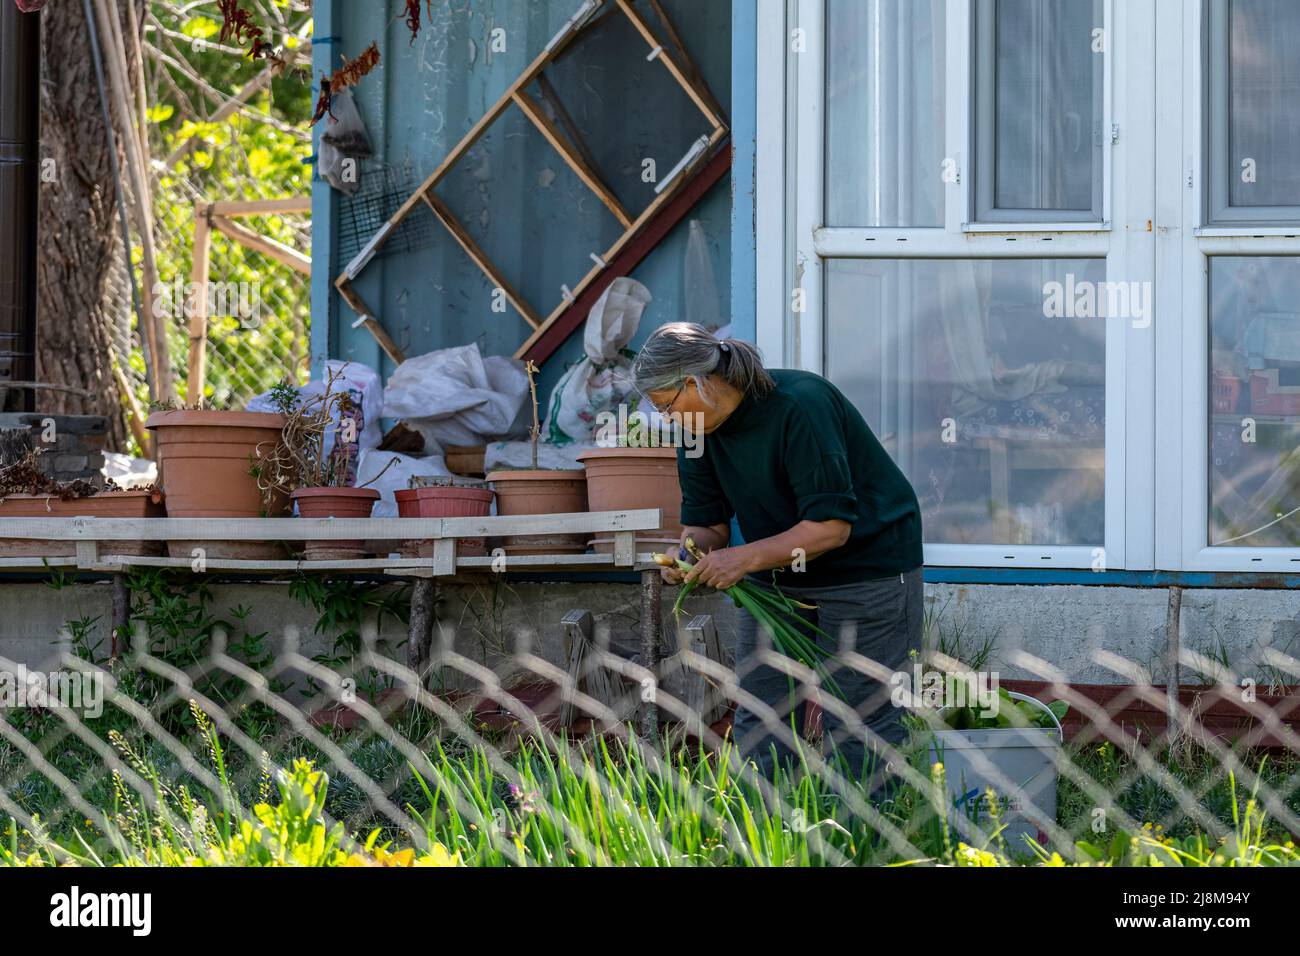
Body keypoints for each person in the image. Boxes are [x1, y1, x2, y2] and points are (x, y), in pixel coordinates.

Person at [632, 323, 924, 790]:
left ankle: (871, 837)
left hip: (866, 567)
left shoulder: (800, 405)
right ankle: (762, 836)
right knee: (762, 715)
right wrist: (690, 553)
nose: (667, 418)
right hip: (775, 572)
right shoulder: (696, 432)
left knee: (858, 721)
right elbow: (707, 527)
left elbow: (831, 527)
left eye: (666, 405)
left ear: (694, 382)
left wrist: (741, 559)